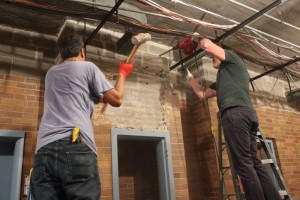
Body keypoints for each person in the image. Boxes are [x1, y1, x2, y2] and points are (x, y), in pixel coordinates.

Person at [30, 34, 134, 199]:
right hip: (74, 145)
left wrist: (96, 97)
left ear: (62, 55)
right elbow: (117, 99)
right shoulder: (88, 67)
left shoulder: (51, 73)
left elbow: (75, 95)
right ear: (82, 52)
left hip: (44, 150)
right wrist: (123, 73)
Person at [183, 38, 282, 200]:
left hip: (236, 114)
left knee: (243, 164)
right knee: (254, 162)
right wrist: (189, 77)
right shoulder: (223, 78)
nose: (212, 59)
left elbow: (207, 45)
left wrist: (198, 39)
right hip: (246, 115)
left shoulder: (233, 60)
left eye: (214, 57)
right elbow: (202, 94)